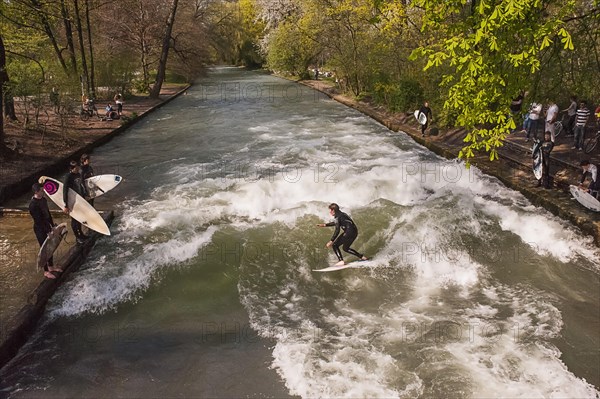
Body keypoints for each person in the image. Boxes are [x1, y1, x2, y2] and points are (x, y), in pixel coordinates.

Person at [29, 183, 62, 279]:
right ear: (36, 192)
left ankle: (51, 266)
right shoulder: (33, 205)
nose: (43, 192)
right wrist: (48, 231)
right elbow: (39, 221)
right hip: (40, 229)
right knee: (44, 249)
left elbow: (48, 214)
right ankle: (46, 271)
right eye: (41, 191)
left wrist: (52, 226)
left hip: (47, 226)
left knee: (50, 247)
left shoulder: (43, 200)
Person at [63, 160, 89, 244]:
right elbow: (65, 191)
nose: (78, 169)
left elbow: (81, 186)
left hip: (80, 200)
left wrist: (85, 195)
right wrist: (66, 205)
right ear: (71, 168)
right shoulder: (68, 177)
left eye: (78, 168)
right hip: (72, 201)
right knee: (74, 219)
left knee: (80, 218)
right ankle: (77, 237)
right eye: (76, 168)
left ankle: (81, 233)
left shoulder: (78, 174)